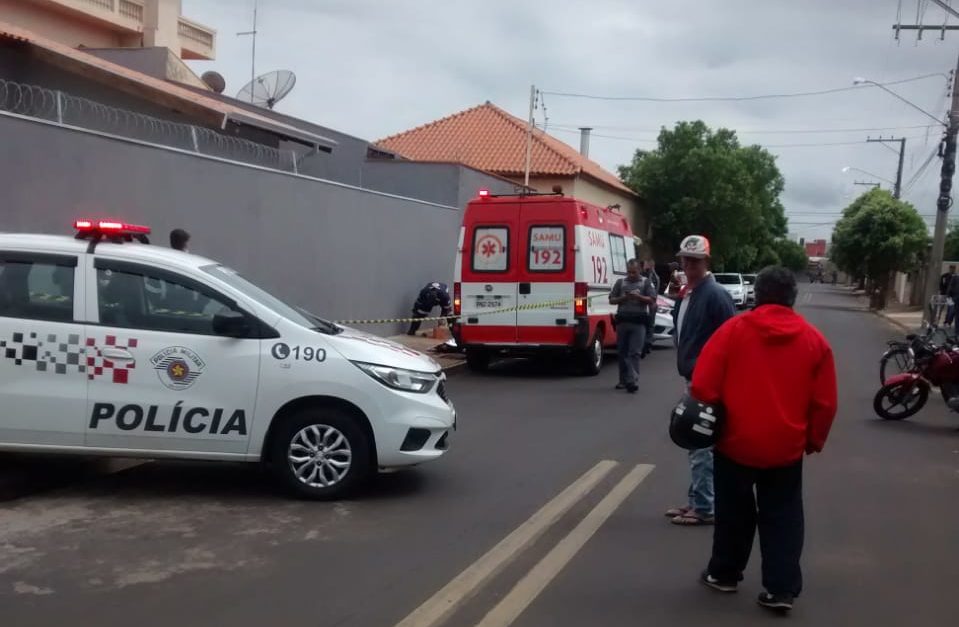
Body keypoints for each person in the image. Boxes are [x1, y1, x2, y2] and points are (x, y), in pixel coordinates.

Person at [691, 266, 837, 613]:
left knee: (734, 513)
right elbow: (825, 403)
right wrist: (813, 440)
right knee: (784, 516)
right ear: (792, 297)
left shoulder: (733, 331)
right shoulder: (814, 341)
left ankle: (725, 574)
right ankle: (780, 590)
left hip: (734, 443)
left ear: (757, 294)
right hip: (785, 449)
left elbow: (702, 386)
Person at [666, 234, 736, 526]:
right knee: (696, 443)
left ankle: (705, 507)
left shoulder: (715, 294)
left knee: (702, 446)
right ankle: (697, 500)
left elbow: (731, 338)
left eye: (695, 262)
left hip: (707, 382)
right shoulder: (689, 292)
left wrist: (714, 377)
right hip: (694, 377)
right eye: (686, 261)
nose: (690, 266)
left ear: (706, 262)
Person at [609, 259, 657, 393]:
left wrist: (639, 297)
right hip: (623, 322)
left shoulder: (646, 282)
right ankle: (623, 380)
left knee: (634, 352)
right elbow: (612, 299)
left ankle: (632, 380)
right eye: (629, 272)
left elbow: (652, 299)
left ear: (639, 270)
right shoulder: (620, 283)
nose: (631, 275)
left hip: (638, 322)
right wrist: (623, 298)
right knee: (622, 352)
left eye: (634, 272)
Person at [641, 259, 660, 357]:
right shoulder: (656, 277)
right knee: (650, 325)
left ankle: (646, 345)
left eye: (644, 264)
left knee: (646, 325)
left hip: (649, 304)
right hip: (653, 303)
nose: (643, 266)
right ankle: (648, 345)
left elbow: (649, 290)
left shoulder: (649, 277)